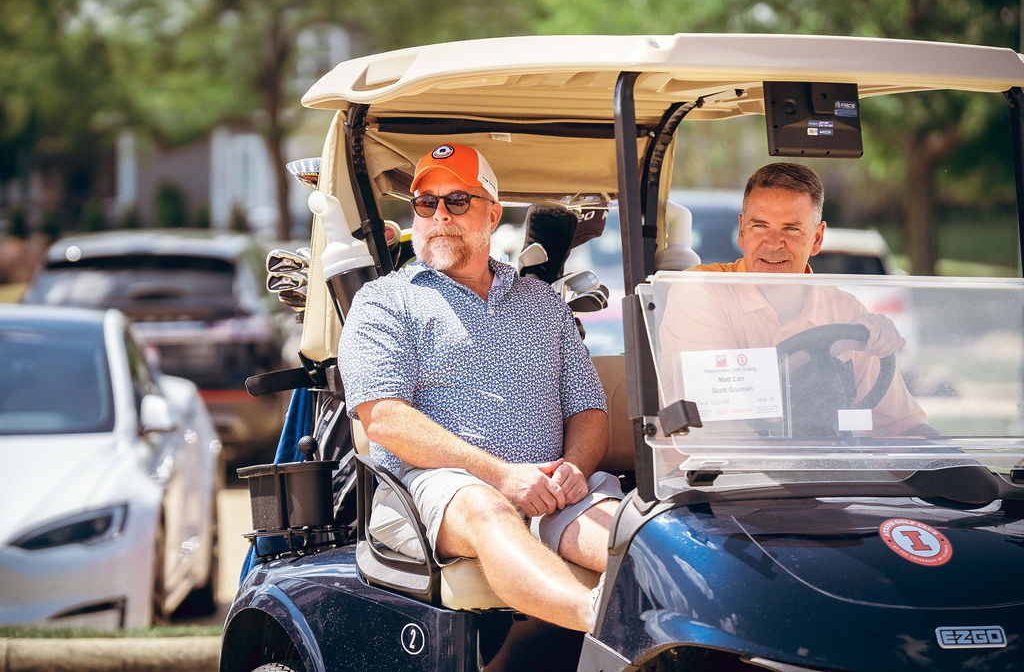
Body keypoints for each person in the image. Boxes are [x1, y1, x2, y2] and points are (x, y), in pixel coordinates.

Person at [337, 142, 622, 632]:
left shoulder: (543, 303)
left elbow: (589, 410)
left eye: (457, 201)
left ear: (492, 216)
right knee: (487, 509)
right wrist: (502, 476)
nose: (439, 215)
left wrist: (575, 467)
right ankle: (603, 624)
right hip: (436, 488)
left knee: (634, 533)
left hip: (552, 489)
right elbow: (382, 418)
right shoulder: (385, 300)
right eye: (426, 203)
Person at [660, 162, 933, 437]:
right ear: (742, 230)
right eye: (760, 226)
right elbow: (724, 408)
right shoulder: (700, 290)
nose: (774, 242)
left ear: (817, 238)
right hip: (716, 474)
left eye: (790, 229)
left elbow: (901, 424)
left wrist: (954, 463)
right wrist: (831, 355)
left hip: (822, 470)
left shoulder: (845, 310)